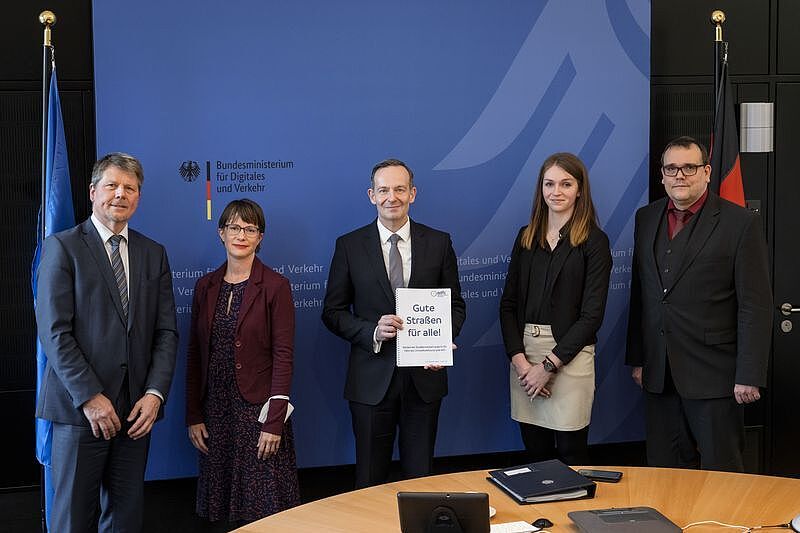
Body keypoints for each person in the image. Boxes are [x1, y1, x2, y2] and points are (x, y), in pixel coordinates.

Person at [35, 152, 178, 532]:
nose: (121, 194)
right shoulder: (62, 248)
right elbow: (54, 332)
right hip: (79, 412)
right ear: (93, 191)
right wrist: (89, 396)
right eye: (112, 185)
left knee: (125, 519)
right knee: (72, 521)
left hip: (135, 415)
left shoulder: (154, 253)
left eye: (130, 188)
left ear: (138, 197)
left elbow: (166, 333)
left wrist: (155, 394)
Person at [625, 136, 772, 472]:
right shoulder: (645, 218)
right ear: (662, 175)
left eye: (689, 167)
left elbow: (755, 304)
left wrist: (749, 373)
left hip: (716, 377)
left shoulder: (740, 223)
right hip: (659, 374)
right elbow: (642, 293)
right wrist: (638, 358)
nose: (680, 176)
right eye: (672, 168)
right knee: (665, 472)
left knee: (722, 473)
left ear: (706, 172)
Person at [322, 158, 466, 488]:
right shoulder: (349, 246)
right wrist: (371, 331)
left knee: (421, 482)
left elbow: (455, 304)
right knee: (370, 482)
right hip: (371, 381)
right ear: (371, 195)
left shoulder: (439, 242)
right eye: (384, 190)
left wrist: (443, 341)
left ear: (413, 194)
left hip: (424, 382)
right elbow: (333, 312)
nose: (392, 197)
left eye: (400, 189)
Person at [186, 199, 300, 525]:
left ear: (260, 237)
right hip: (215, 413)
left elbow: (284, 355)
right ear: (221, 232)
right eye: (234, 227)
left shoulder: (276, 286)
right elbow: (194, 354)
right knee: (221, 509)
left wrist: (274, 421)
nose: (241, 235)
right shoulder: (204, 287)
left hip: (259, 412)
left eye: (250, 229)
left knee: (264, 508)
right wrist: (193, 414)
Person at [499, 152, 612, 465]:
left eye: (566, 183)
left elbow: (592, 317)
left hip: (569, 357)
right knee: (535, 453)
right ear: (541, 189)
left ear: (580, 190)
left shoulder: (594, 241)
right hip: (525, 354)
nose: (556, 191)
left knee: (570, 454)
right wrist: (522, 363)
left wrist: (547, 367)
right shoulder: (526, 237)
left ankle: (576, 514)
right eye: (549, 183)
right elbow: (508, 305)